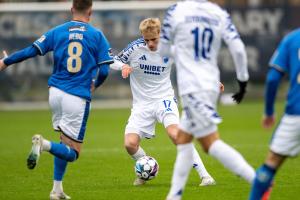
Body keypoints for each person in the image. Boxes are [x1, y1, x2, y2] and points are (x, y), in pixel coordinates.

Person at [0, 0, 113, 199]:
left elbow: (30, 51)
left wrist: (5, 61)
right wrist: (96, 84)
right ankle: (43, 145)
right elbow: (104, 69)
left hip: (55, 93)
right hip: (77, 97)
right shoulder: (97, 35)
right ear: (91, 11)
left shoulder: (57, 31)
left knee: (64, 141)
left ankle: (56, 190)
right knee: (74, 152)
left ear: (71, 9)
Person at [158, 1, 258, 200]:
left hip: (193, 87)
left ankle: (258, 181)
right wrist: (243, 81)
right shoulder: (218, 13)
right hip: (209, 84)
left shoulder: (176, 11)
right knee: (183, 139)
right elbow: (238, 49)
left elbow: (163, 50)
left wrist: (183, 52)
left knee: (210, 143)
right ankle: (174, 196)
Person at [110, 18, 216, 186]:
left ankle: (205, 176)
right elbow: (114, 60)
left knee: (175, 135)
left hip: (164, 99)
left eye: (154, 39)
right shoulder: (135, 47)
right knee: (130, 144)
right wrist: (122, 66)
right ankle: (146, 169)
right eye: (147, 40)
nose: (150, 44)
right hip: (141, 105)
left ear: (160, 34)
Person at [249, 29, 300, 200]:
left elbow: (272, 79)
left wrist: (269, 111)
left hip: (296, 113)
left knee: (271, 163)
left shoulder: (293, 39)